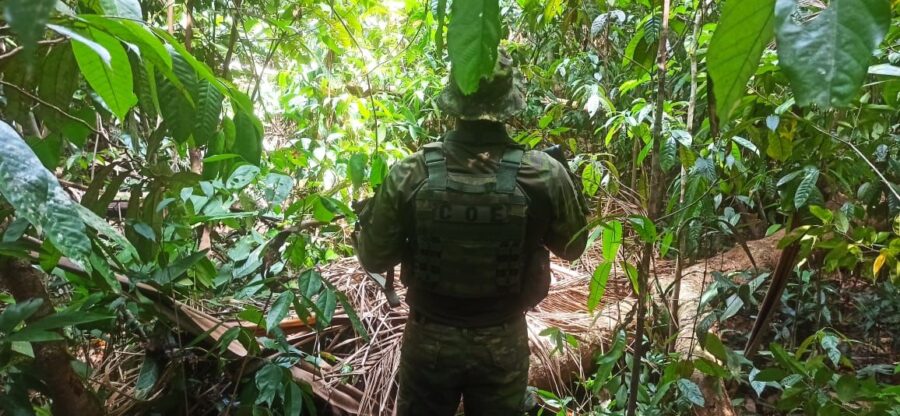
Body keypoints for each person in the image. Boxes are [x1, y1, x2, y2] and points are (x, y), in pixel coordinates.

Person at [356, 51, 588, 416]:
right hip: (503, 339)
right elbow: (573, 247)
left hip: (429, 338)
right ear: (509, 104)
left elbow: (374, 257)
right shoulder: (543, 174)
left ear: (453, 100)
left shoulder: (410, 173)